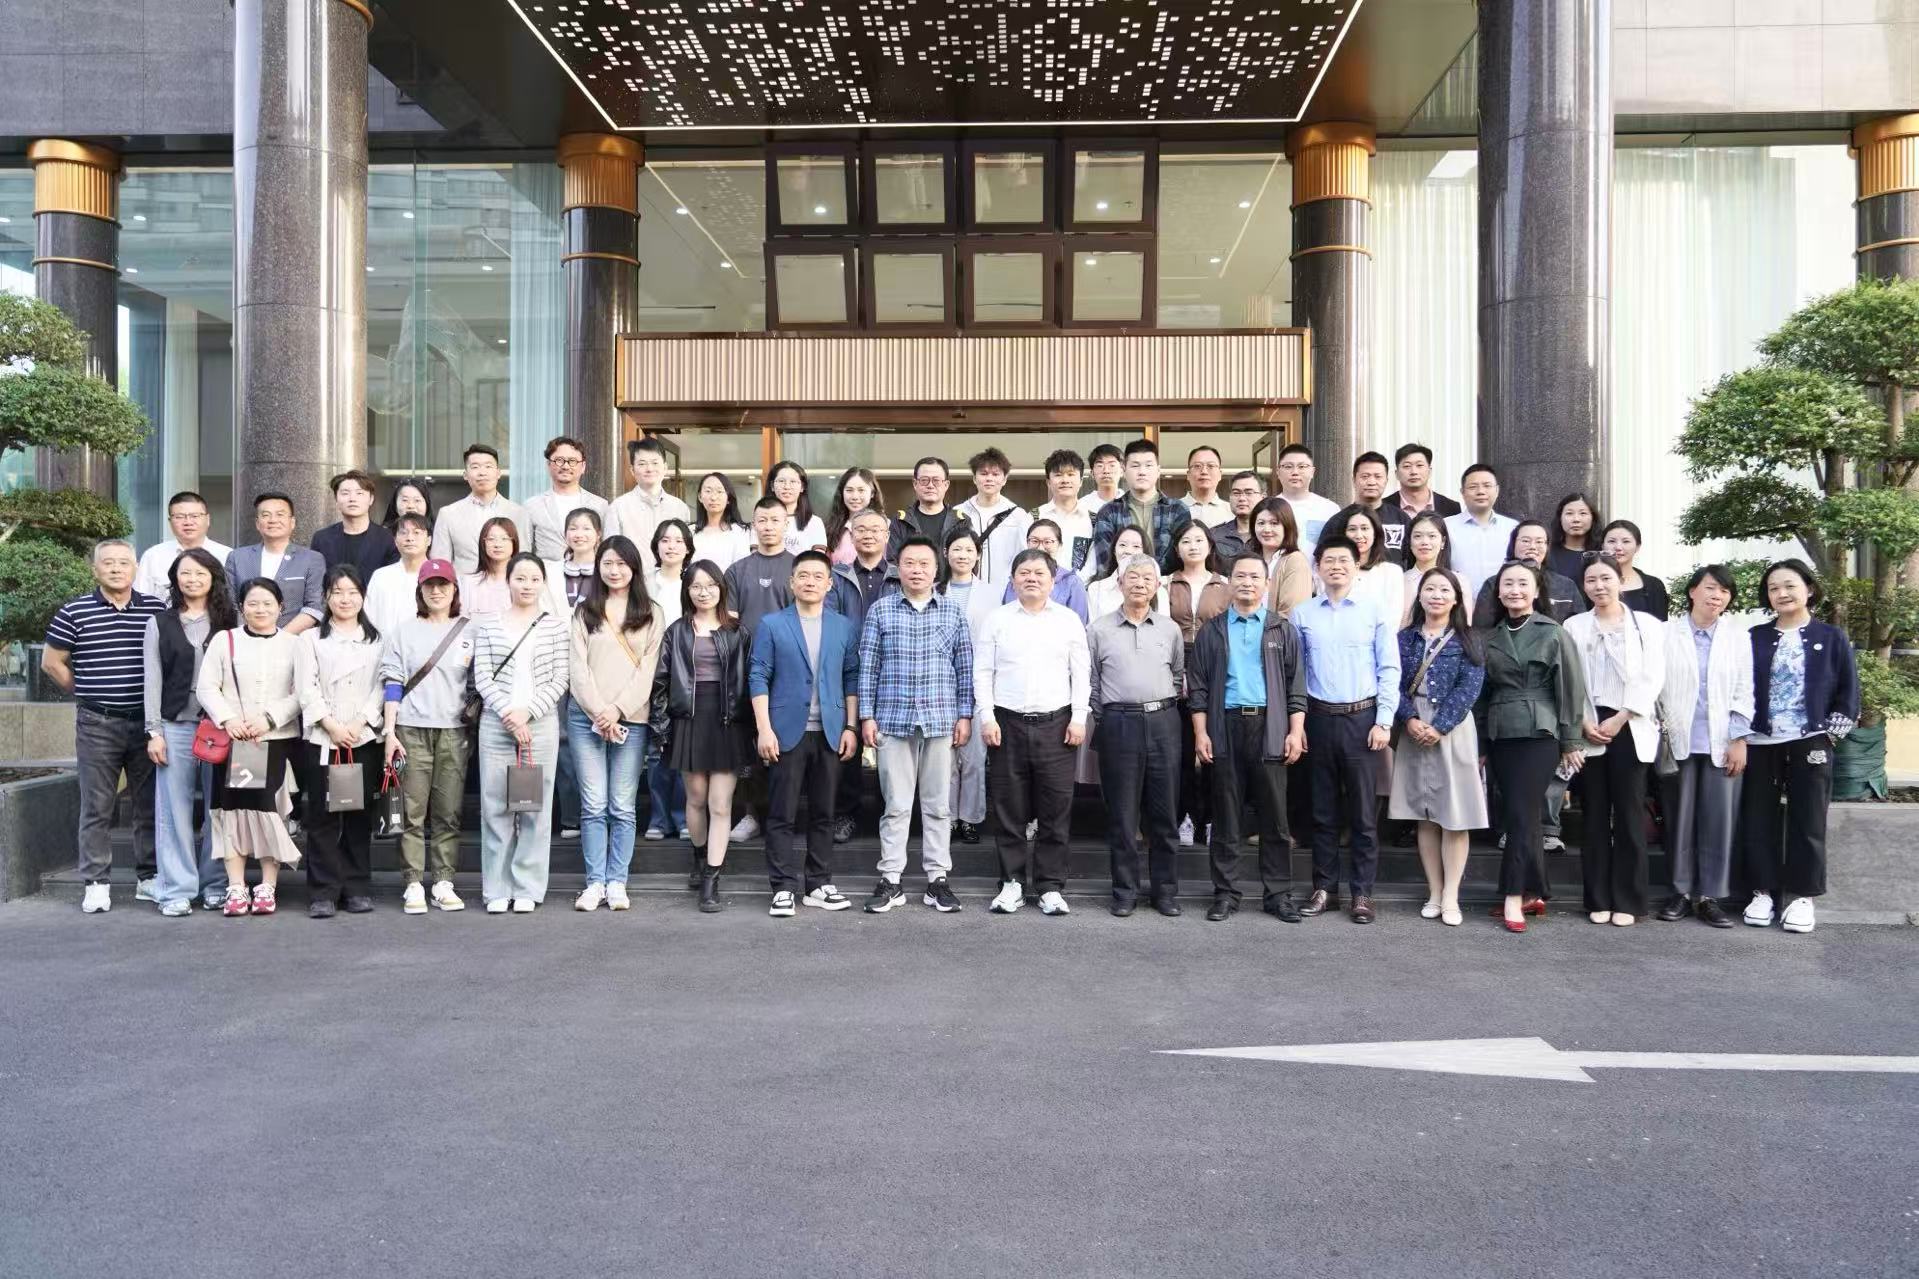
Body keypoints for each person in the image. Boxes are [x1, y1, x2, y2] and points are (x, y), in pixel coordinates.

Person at [1739, 559, 1859, 936]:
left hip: (1810, 740)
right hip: (1761, 741)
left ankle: (1802, 897)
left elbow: (1848, 692)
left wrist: (1828, 736)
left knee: (1808, 819)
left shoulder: (1831, 636)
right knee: (1758, 818)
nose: (1782, 593)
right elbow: (1739, 688)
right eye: (1773, 588)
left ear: (1809, 589)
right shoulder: (1754, 636)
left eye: (1790, 585)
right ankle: (1762, 892)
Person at [46, 539, 167, 913]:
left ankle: (149, 877)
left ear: (135, 568)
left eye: (123, 562)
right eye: (108, 563)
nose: (116, 569)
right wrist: (84, 691)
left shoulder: (155, 609)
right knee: (97, 806)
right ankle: (96, 882)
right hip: (97, 722)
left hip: (147, 723)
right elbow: (52, 662)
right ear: (95, 569)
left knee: (148, 805)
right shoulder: (74, 611)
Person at [857, 535, 976, 914]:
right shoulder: (881, 611)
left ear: (937, 569)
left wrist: (965, 714)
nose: (917, 570)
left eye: (924, 564)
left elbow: (965, 668)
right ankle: (890, 879)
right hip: (893, 720)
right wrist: (866, 715)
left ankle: (937, 879)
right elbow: (868, 667)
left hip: (941, 720)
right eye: (909, 563)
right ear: (899, 568)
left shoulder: (953, 612)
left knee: (938, 805)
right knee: (895, 805)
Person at [1188, 551, 1306, 923]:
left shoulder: (1281, 629)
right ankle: (1225, 893)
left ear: (1267, 584)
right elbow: (1198, 688)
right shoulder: (1213, 630)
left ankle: (1278, 895)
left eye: (1255, 577)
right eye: (1240, 576)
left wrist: (1296, 731)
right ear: (1230, 582)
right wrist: (1201, 733)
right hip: (1225, 726)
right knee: (1226, 816)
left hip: (1270, 727)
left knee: (1275, 818)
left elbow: (1296, 686)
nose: (1247, 583)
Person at [973, 547, 1089, 917]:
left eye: (1039, 573)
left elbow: (1081, 672)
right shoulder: (997, 619)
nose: (1031, 578)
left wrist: (1079, 717)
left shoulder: (1068, 620)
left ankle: (1050, 886)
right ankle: (1012, 883)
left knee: (1056, 808)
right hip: (1006, 723)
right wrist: (986, 717)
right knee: (1009, 808)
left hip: (1057, 724)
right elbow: (983, 671)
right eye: (1024, 572)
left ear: (1053, 581)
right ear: (1013, 579)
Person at [1293, 536, 1400, 924]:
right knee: (1322, 811)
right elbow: (1296, 674)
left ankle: (1362, 893)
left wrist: (1384, 720)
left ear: (1357, 566)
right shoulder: (1302, 614)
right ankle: (1324, 888)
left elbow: (1389, 667)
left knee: (1363, 815)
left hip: (1362, 719)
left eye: (1344, 560)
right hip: (1319, 718)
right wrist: (1298, 722)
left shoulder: (1374, 610)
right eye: (1328, 560)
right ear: (1317, 567)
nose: (1336, 566)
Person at [1478, 561, 1588, 933]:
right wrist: (1481, 744)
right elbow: (1482, 696)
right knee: (1520, 812)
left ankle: (1512, 894)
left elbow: (1570, 688)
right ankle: (1535, 890)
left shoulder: (1552, 632)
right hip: (1501, 733)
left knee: (1522, 815)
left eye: (1523, 584)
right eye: (1507, 584)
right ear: (1498, 592)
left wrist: (1571, 740)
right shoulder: (1490, 637)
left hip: (1540, 733)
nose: (1515, 590)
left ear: (1536, 591)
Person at [749, 551, 860, 918]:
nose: (810, 581)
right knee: (781, 813)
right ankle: (782, 887)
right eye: (803, 575)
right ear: (791, 582)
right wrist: (764, 729)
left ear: (829, 584)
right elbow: (758, 676)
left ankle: (818, 884)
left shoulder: (843, 626)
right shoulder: (772, 624)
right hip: (785, 732)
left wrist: (851, 726)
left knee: (824, 813)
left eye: (817, 576)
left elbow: (851, 677)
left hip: (830, 731)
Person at [1564, 553, 1667, 926]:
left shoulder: (1647, 625)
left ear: (1620, 581)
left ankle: (1629, 900)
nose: (1599, 586)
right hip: (1590, 724)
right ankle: (1597, 899)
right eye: (1591, 580)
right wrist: (1583, 721)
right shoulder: (1574, 625)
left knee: (1628, 813)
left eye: (1605, 578)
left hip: (1630, 724)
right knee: (1593, 815)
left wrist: (1622, 716)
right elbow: (1569, 678)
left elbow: (1653, 676)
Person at [196, 577, 304, 916]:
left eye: (268, 603)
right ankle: (236, 887)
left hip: (275, 742)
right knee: (231, 814)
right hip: (234, 743)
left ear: (281, 607)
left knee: (270, 812)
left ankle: (268, 886)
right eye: (253, 603)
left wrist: (269, 719)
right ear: (241, 607)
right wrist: (229, 720)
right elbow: (207, 687)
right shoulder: (224, 640)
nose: (260, 609)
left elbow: (302, 692)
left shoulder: (294, 644)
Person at [1087, 554, 1186, 917]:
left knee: (1165, 814)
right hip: (1119, 724)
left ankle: (1165, 892)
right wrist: (1111, 716)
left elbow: (1177, 676)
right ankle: (1125, 891)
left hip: (1163, 721)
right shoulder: (1099, 629)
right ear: (1120, 583)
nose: (1140, 583)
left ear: (1157, 585)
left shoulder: (1170, 629)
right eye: (1133, 576)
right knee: (1123, 815)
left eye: (1147, 577)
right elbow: (1092, 683)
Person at [567, 535, 662, 913]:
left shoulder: (651, 612)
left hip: (631, 719)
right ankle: (595, 882)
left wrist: (617, 710)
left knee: (622, 805)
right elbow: (577, 668)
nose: (614, 570)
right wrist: (599, 711)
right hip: (585, 718)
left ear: (634, 567)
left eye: (622, 563)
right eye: (607, 563)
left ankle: (617, 881)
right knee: (593, 804)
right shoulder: (584, 611)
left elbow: (648, 671)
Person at [472, 554, 570, 914]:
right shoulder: (489, 625)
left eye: (534, 579)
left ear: (543, 583)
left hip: (540, 725)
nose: (527, 585)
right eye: (520, 578)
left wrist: (528, 712)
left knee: (534, 808)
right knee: (495, 805)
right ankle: (497, 888)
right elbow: (482, 676)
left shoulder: (556, 626)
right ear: (508, 581)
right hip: (496, 724)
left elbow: (561, 677)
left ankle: (527, 886)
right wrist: (509, 715)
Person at [653, 561, 754, 911]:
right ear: (688, 591)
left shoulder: (738, 631)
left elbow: (751, 681)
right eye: (696, 586)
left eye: (711, 585)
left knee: (720, 803)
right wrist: (662, 728)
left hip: (728, 721)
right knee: (695, 799)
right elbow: (661, 681)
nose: (704, 592)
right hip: (689, 719)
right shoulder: (677, 631)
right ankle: (699, 858)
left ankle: (711, 880)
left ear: (721, 589)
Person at [1656, 564, 1753, 928]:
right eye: (1710, 588)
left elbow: (1745, 690)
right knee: (1679, 820)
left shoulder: (1737, 637)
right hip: (1677, 741)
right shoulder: (1666, 632)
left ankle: (1709, 896)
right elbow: (1654, 685)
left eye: (1725, 591)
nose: (1717, 596)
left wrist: (1739, 739)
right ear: (1692, 591)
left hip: (1722, 742)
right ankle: (1681, 892)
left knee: (1718, 820)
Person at [1390, 568, 1487, 926]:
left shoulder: (1468, 639)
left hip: (1453, 728)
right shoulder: (1404, 638)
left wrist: (1441, 725)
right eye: (1429, 589)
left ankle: (1451, 895)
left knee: (1454, 815)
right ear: (1419, 596)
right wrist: (1409, 719)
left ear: (1457, 598)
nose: (1436, 595)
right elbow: (1392, 682)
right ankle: (1434, 890)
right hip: (1413, 725)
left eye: (1444, 590)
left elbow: (1470, 686)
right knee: (1425, 814)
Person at [379, 559, 477, 915]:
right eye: (429, 585)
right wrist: (390, 731)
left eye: (443, 584)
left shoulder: (471, 630)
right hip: (411, 728)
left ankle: (443, 881)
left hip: (454, 730)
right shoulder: (403, 632)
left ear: (455, 590)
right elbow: (392, 683)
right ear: (419, 590)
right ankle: (413, 882)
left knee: (448, 811)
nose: (436, 591)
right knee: (412, 810)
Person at [142, 548, 234, 915]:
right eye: (185, 573)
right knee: (173, 810)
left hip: (220, 726)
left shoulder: (229, 621)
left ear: (213, 578)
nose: (192, 579)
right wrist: (154, 731)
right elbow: (152, 680)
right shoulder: (159, 623)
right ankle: (177, 890)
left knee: (218, 808)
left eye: (200, 573)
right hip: (174, 725)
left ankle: (216, 883)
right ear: (175, 580)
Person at [292, 565, 385, 918]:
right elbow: (306, 688)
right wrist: (331, 725)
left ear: (363, 596)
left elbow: (382, 686)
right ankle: (323, 892)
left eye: (352, 592)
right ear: (326, 597)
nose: (345, 599)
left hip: (363, 737)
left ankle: (357, 887)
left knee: (359, 815)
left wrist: (359, 722)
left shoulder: (378, 639)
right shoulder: (310, 639)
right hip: (323, 737)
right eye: (337, 592)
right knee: (323, 815)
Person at [722, 496, 798, 844]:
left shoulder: (798, 567)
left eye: (774, 520)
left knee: (787, 746)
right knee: (750, 748)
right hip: (748, 671)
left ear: (786, 524)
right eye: (762, 520)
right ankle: (752, 814)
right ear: (753, 525)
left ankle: (784, 816)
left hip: (790, 672)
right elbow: (730, 624)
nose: (768, 526)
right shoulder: (738, 570)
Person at [825, 507, 900, 841]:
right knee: (848, 743)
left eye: (875, 530)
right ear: (851, 536)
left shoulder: (899, 575)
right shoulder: (837, 577)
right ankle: (846, 814)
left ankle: (892, 815)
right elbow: (830, 622)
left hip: (892, 671)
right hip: (849, 670)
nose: (868, 535)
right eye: (861, 530)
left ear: (887, 536)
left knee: (892, 746)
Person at [1166, 519, 1229, 849]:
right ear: (1177, 548)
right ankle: (1185, 816)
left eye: (1199, 540)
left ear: (1210, 545)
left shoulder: (1225, 584)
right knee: (1181, 751)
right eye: (1186, 541)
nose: (1193, 546)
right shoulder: (1165, 583)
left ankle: (1211, 818)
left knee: (1213, 749)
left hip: (1214, 664)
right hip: (1174, 663)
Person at [545, 506, 604, 841]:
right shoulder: (549, 571)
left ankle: (598, 813)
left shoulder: (608, 569)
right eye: (573, 528)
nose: (579, 534)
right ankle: (570, 816)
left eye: (586, 528)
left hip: (597, 667)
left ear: (598, 535)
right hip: (555, 664)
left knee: (596, 735)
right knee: (563, 740)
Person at [939, 528, 1001, 845]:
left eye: (969, 550)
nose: (962, 555)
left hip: (978, 681)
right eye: (957, 549)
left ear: (977, 555)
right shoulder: (935, 590)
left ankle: (970, 818)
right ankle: (947, 818)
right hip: (941, 684)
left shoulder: (993, 593)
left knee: (975, 757)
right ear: (946, 552)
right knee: (945, 758)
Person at [643, 519, 693, 842]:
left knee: (684, 747)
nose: (671, 545)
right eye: (665, 539)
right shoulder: (644, 582)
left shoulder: (694, 582)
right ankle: (659, 818)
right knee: (657, 749)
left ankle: (683, 816)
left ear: (688, 548)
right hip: (650, 672)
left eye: (677, 540)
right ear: (656, 546)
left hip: (688, 673)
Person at [226, 491, 325, 634]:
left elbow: (314, 606)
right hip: (246, 640)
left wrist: (279, 639)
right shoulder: (237, 557)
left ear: (292, 522)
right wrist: (250, 635)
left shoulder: (312, 559)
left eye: (280, 514)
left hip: (293, 640)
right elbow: (231, 604)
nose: (273, 520)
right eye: (266, 515)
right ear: (257, 523)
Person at [431, 443, 529, 575]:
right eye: (475, 467)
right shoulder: (448, 514)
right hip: (464, 585)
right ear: (465, 475)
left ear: (498, 473)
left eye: (488, 466)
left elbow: (524, 560)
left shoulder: (518, 513)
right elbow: (441, 564)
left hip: (506, 585)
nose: (482, 473)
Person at [1090, 438, 1185, 572]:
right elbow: (1104, 564)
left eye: (1148, 465)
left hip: (1167, 583)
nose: (1142, 472)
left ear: (1158, 470)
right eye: (1135, 466)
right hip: (1120, 583)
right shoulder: (1108, 512)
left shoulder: (1177, 510)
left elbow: (1183, 559)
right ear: (1124, 470)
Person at [603, 437, 691, 567]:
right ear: (632, 470)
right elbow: (610, 552)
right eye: (642, 464)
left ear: (665, 467)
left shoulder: (680, 508)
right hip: (633, 578)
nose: (649, 469)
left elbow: (686, 551)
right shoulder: (618, 507)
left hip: (670, 578)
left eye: (655, 463)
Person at [1472, 519, 1580, 622]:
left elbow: (1578, 626)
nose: (1532, 546)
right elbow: (1481, 628)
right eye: (1525, 541)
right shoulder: (1493, 583)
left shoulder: (1566, 586)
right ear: (1513, 544)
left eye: (1539, 541)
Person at [134, 490, 233, 600]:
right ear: (170, 521)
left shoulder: (228, 556)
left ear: (208, 519)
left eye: (195, 516)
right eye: (179, 517)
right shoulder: (153, 556)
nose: (188, 522)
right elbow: (140, 600)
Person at [522, 436, 609, 560]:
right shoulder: (531, 506)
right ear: (548, 465)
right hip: (547, 571)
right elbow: (524, 551)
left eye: (572, 461)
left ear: (583, 466)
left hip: (588, 570)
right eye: (559, 460)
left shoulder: (600, 505)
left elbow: (607, 549)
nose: (566, 466)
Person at [956, 446, 1032, 589]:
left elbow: (1025, 555)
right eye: (983, 473)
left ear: (1004, 479)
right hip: (964, 589)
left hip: (1005, 590)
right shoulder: (958, 513)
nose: (989, 478)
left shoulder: (1018, 515)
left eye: (995, 474)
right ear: (974, 478)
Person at [1444, 463, 1519, 600]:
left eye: (1487, 486)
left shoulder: (1512, 528)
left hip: (1503, 606)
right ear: (1462, 492)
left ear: (1497, 490)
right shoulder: (1446, 526)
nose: (1480, 491)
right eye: (1473, 487)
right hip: (1459, 606)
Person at [311, 469, 399, 584]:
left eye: (359, 493)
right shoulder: (322, 539)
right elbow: (316, 580)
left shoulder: (387, 538)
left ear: (371, 499)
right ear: (336, 500)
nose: (352, 499)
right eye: (345, 493)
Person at [1330, 504, 1405, 625]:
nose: (1359, 535)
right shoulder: (1333, 570)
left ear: (1375, 533)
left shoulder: (1392, 572)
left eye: (1365, 528)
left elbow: (1393, 620)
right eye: (1352, 529)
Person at [1001, 519, 1089, 620]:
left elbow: (1078, 625)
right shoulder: (1016, 580)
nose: (1040, 548)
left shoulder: (1072, 583)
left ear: (1060, 545)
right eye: (1034, 541)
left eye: (1047, 542)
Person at [366, 513, 433, 638]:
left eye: (416, 532)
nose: (410, 538)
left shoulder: (438, 578)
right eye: (403, 533)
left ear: (429, 540)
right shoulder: (381, 577)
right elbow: (369, 617)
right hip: (384, 647)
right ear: (395, 541)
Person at [890, 456, 969, 559]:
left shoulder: (961, 521)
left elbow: (968, 559)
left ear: (946, 485)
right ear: (915, 484)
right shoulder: (900, 521)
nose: (930, 486)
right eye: (924, 480)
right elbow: (892, 560)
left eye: (936, 480)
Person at [1085, 525, 1168, 621]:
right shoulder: (1096, 589)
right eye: (1122, 545)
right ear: (1114, 551)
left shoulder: (1159, 592)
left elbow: (1164, 628)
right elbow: (1092, 627)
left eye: (1136, 546)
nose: (1128, 551)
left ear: (1145, 553)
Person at [1273, 443, 1341, 559]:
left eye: (1302, 466)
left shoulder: (1330, 509)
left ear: (1312, 472)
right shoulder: (1267, 508)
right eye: (1288, 467)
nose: (1295, 472)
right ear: (1278, 472)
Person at [1036, 448, 1096, 573]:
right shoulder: (1035, 517)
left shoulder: (1094, 520)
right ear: (1048, 482)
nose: (1065, 480)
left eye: (1071, 474)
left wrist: (1074, 583)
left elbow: (1094, 564)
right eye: (1058, 475)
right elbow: (1026, 559)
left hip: (1083, 585)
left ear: (1081, 481)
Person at [1594, 519, 1669, 618]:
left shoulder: (1654, 585)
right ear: (1603, 546)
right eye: (1612, 541)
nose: (1618, 547)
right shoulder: (1591, 583)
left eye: (1626, 541)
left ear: (1637, 546)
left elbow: (1660, 623)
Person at [1252, 497, 1313, 616]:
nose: (1266, 529)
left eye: (1274, 523)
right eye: (1261, 523)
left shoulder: (1295, 561)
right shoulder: (1250, 561)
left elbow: (1290, 614)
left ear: (1287, 526)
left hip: (1277, 628)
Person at [1351, 451, 1412, 566]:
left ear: (1386, 481)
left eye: (1378, 476)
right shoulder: (1340, 520)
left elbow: (1412, 560)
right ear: (1354, 480)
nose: (1371, 482)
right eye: (1365, 476)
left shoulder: (1401, 520)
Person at [1400, 511, 1457, 626]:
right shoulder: (1399, 581)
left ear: (1443, 542)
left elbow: (1464, 627)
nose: (1425, 542)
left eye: (1432, 536)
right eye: (1417, 536)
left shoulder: (1458, 581)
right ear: (1410, 542)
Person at [460, 515, 521, 618]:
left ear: (514, 543)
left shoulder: (525, 582)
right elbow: (462, 622)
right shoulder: (469, 582)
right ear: (483, 544)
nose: (497, 544)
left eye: (504, 538)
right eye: (491, 539)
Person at [692, 471, 752, 570]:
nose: (713, 497)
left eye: (719, 491)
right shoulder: (690, 531)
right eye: (708, 491)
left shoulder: (740, 532)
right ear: (700, 497)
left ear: (729, 498)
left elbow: (742, 570)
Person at [766, 459, 827, 556]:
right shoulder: (761, 521)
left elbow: (817, 560)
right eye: (781, 481)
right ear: (772, 486)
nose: (787, 487)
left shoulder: (814, 522)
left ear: (802, 487)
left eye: (793, 481)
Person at [1385, 442, 1461, 520]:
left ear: (1429, 471)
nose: (1414, 472)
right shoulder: (1383, 507)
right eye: (1407, 466)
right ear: (1396, 474)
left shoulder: (1451, 508)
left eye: (1419, 465)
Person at [824, 466, 883, 565]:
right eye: (849, 490)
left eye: (861, 490)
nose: (855, 497)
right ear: (842, 493)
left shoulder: (885, 527)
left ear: (872, 493)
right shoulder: (831, 529)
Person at [1209, 470, 1266, 562]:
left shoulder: (1271, 534)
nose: (1241, 498)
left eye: (1248, 493)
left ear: (1263, 497)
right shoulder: (1214, 535)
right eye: (1236, 493)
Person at [1549, 492, 1601, 587]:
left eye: (1583, 513)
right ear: (1560, 518)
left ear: (1593, 518)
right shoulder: (1547, 553)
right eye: (1569, 513)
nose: (1576, 519)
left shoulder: (1602, 553)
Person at [1182, 444, 1232, 527]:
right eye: (1197, 466)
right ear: (1188, 474)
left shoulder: (1232, 511)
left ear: (1220, 475)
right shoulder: (1172, 510)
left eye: (1211, 466)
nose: (1204, 471)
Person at [1085, 442, 1125, 514]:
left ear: (1122, 471)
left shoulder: (1133, 504)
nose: (1106, 471)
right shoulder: (1082, 506)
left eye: (1112, 465)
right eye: (1100, 466)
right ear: (1092, 473)